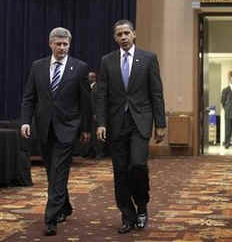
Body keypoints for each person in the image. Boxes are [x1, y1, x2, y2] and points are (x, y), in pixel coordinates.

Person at [96, 19, 166, 234]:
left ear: (134, 34)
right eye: (119, 34)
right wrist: (101, 123)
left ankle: (142, 206)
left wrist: (160, 123)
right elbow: (102, 95)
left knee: (137, 165)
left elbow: (156, 92)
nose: (124, 37)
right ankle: (127, 215)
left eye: (127, 33)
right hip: (117, 124)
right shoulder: (107, 61)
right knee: (120, 172)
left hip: (140, 122)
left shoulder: (148, 58)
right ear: (115, 38)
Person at [20, 27, 91, 236]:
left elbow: (85, 102)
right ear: (50, 44)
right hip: (44, 128)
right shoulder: (37, 66)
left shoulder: (79, 67)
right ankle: (65, 206)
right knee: (53, 172)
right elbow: (29, 97)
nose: (62, 48)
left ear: (69, 45)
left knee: (59, 171)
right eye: (58, 44)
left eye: (65, 44)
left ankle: (51, 218)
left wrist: (86, 128)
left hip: (68, 128)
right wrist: (25, 121)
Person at [221, 70, 232, 148]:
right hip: (228, 112)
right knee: (227, 129)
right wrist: (227, 109)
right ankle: (227, 143)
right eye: (231, 77)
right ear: (229, 78)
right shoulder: (225, 90)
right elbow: (223, 101)